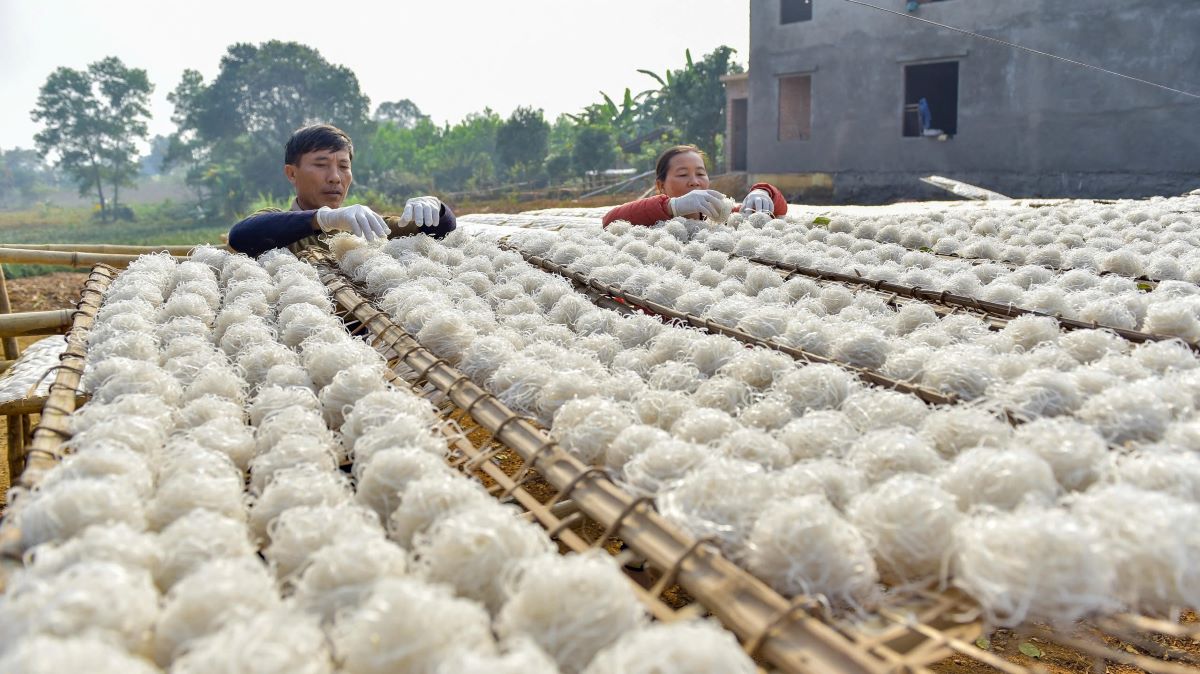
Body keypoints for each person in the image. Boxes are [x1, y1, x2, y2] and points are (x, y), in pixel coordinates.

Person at [228, 124, 456, 257]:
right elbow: (241, 236)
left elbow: (441, 230)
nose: (335, 177)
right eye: (320, 165)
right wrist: (325, 218)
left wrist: (436, 207)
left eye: (344, 166)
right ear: (291, 173)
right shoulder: (275, 223)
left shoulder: (364, 227)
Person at [600, 145, 787, 227]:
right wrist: (673, 207)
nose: (694, 181)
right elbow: (609, 220)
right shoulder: (650, 218)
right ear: (661, 185)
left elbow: (779, 210)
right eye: (682, 174)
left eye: (700, 173)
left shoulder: (722, 217)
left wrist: (764, 191)